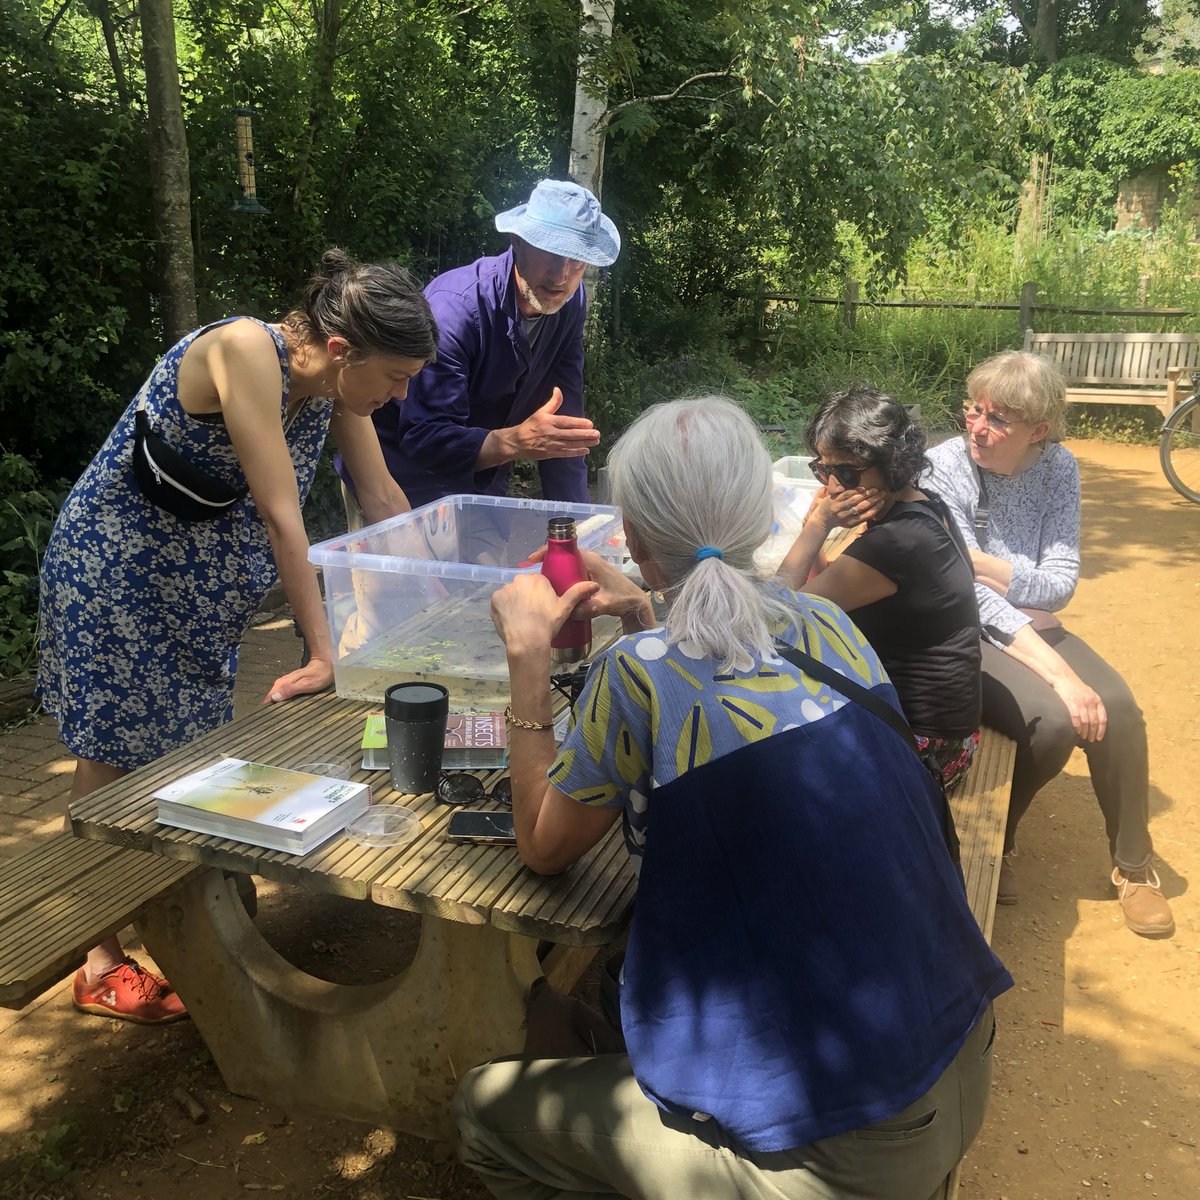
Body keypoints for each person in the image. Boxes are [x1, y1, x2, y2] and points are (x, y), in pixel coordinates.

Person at [454, 396, 1012, 1200]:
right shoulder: (826, 622)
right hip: (958, 1056)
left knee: (483, 1115)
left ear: (634, 538)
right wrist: (650, 612)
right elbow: (726, 678)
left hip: (842, 1147)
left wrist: (528, 661)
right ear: (760, 517)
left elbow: (543, 848)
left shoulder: (636, 670)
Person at [38, 250, 438, 1022]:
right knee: (113, 751)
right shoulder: (247, 350)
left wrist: (448, 604)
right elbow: (282, 516)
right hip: (118, 571)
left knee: (186, 743)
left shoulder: (336, 388)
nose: (401, 395)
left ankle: (181, 912)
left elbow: (386, 496)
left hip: (193, 594)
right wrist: (325, 653)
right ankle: (97, 960)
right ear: (344, 349)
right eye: (397, 377)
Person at [924, 350, 1173, 936]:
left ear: (1039, 430)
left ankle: (1134, 867)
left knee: (1121, 712)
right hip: (968, 627)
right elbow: (964, 591)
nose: (978, 427)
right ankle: (1000, 841)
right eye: (974, 410)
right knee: (1055, 722)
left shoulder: (1058, 468)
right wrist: (1059, 673)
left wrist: (995, 568)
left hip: (1037, 621)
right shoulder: (943, 468)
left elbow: (1060, 582)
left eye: (998, 419)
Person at [336, 179, 620, 518]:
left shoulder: (570, 303)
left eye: (577, 261)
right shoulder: (455, 310)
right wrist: (514, 442)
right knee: (401, 572)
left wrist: (574, 527)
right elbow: (422, 435)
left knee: (493, 571)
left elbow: (565, 424)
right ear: (518, 242)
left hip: (482, 483)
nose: (562, 276)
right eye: (552, 254)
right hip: (393, 477)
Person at [777, 385, 981, 791]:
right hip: (949, 736)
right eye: (824, 470)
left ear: (893, 466)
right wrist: (814, 534)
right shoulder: (925, 506)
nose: (833, 487)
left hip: (922, 750)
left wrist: (818, 526)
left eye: (847, 473)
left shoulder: (897, 543)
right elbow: (842, 581)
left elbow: (772, 615)